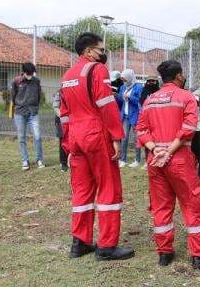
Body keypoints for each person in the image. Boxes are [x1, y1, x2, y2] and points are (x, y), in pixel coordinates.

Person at [59, 32, 134, 260]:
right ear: (89, 51)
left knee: (82, 191)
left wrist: (67, 144)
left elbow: (63, 114)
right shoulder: (97, 70)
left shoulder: (67, 75)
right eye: (101, 50)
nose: (104, 54)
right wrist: (116, 137)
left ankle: (79, 243)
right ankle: (106, 246)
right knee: (109, 188)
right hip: (96, 133)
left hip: (75, 137)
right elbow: (106, 104)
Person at [136, 60, 200, 269]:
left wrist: (155, 150)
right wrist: (168, 152)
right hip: (179, 159)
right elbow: (188, 129)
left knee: (161, 207)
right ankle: (199, 255)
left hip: (155, 161)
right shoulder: (187, 97)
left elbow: (141, 130)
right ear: (179, 75)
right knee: (192, 204)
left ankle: (165, 253)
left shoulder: (150, 100)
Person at [12, 62, 44, 170]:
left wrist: (35, 107)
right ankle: (25, 160)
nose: (31, 75)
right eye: (29, 73)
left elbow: (39, 96)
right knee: (21, 137)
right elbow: (13, 96)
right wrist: (18, 106)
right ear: (24, 72)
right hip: (20, 113)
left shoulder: (36, 81)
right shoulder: (16, 81)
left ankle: (39, 159)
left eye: (32, 73)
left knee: (37, 136)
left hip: (33, 113)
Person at [116, 69, 144, 168]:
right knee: (124, 138)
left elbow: (140, 102)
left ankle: (137, 160)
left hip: (135, 116)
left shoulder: (139, 87)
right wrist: (117, 96)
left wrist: (130, 97)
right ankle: (123, 159)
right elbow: (120, 102)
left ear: (130, 78)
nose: (124, 82)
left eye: (125, 80)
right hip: (125, 116)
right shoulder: (122, 87)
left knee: (136, 138)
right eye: (123, 80)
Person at [139, 76, 161, 170]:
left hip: (157, 120)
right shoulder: (144, 92)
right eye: (149, 81)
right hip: (146, 120)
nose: (151, 83)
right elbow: (141, 103)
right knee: (147, 140)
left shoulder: (159, 92)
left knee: (156, 140)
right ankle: (147, 161)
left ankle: (156, 158)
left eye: (153, 81)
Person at [52, 89, 68, 172]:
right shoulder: (60, 92)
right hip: (61, 120)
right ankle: (63, 163)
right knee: (63, 141)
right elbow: (55, 106)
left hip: (73, 119)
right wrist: (63, 117)